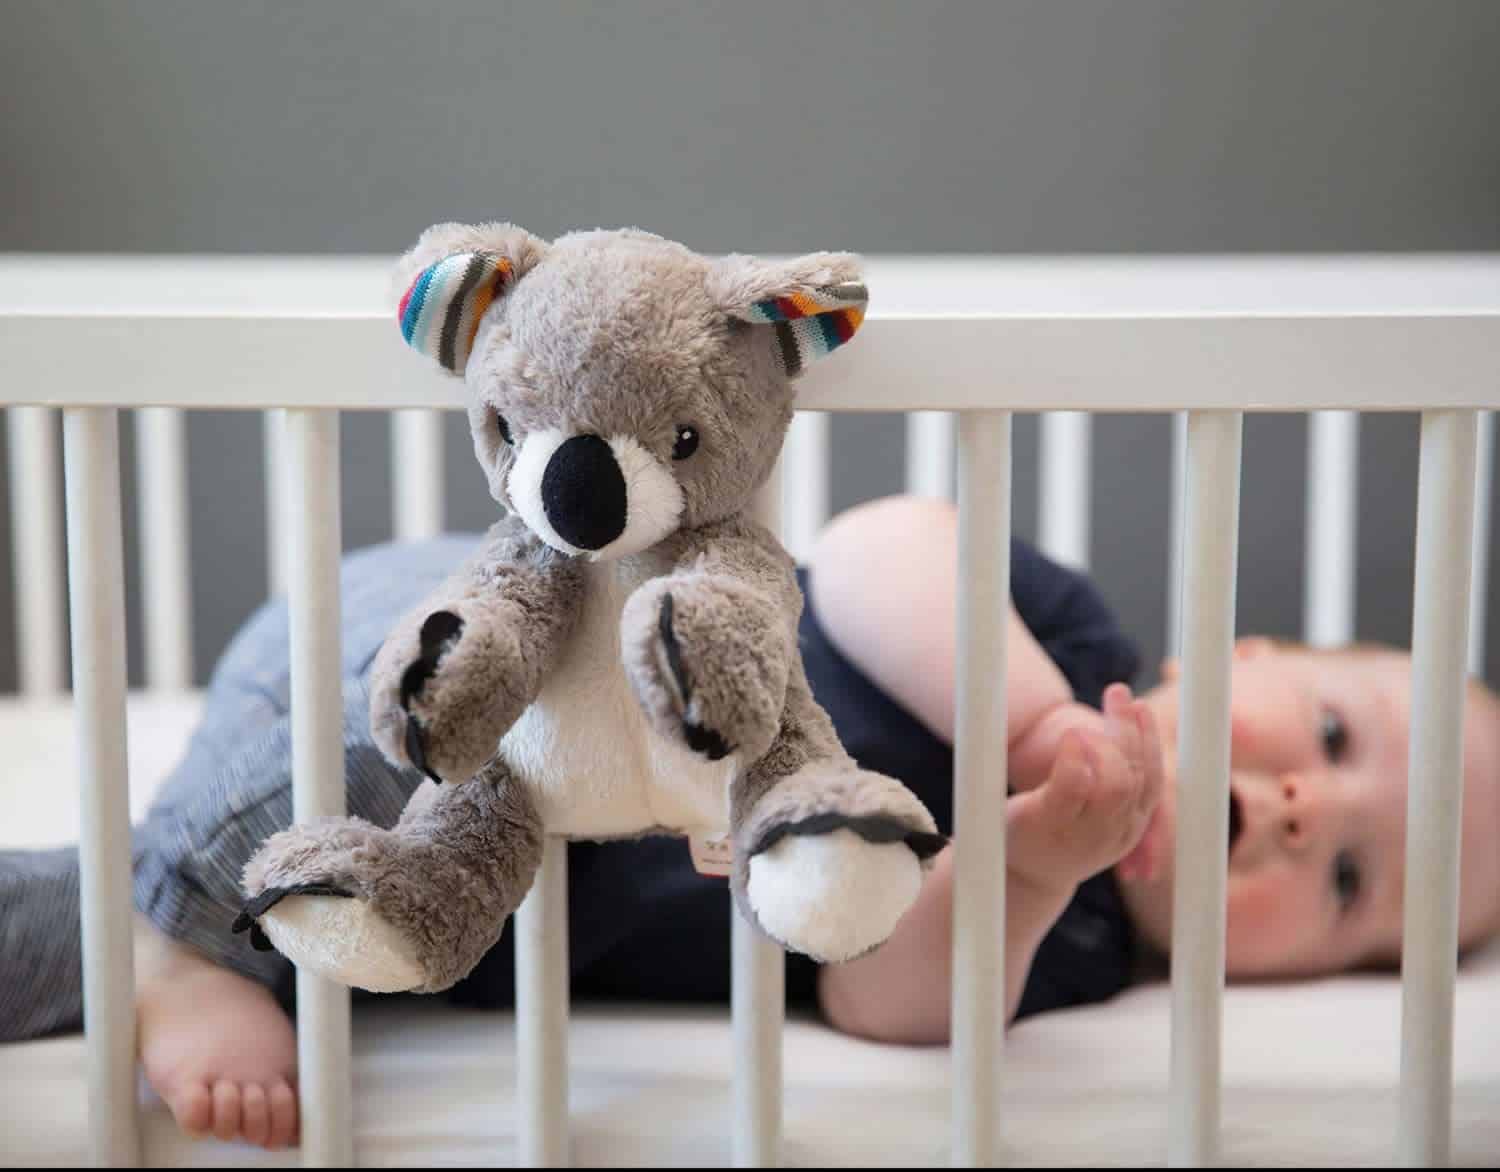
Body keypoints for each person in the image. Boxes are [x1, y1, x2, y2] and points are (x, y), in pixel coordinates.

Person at [3, 497, 1497, 1151]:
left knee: (110, 928)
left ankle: (137, 923)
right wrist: (1033, 728)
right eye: (1333, 737)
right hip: (487, 653)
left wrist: (1035, 853)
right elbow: (878, 551)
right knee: (425, 734)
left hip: (449, 907)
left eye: (1351, 880)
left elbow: (876, 992)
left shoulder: (1076, 937)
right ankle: (179, 933)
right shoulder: (1062, 637)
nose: (1298, 811)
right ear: (1242, 656)